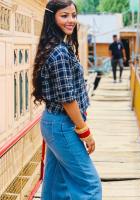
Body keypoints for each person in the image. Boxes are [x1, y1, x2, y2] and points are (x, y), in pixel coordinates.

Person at [32, 1, 102, 199]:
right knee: (90, 186)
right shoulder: (60, 52)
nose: (71, 20)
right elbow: (68, 99)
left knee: (55, 188)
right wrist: (85, 132)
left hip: (54, 123)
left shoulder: (57, 46)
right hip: (63, 124)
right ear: (52, 17)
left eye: (73, 15)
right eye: (64, 15)